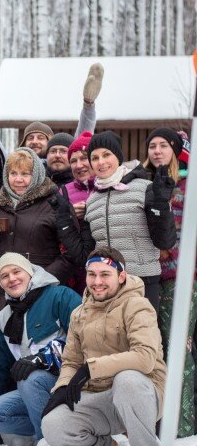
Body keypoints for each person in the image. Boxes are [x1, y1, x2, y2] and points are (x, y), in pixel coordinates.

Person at [41, 248, 167, 446]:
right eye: (92, 274)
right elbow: (71, 362)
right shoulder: (79, 314)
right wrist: (61, 387)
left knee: (127, 380)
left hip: (142, 393)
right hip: (101, 397)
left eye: (105, 274)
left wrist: (91, 368)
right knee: (52, 424)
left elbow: (145, 357)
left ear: (121, 276)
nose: (97, 281)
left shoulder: (137, 305)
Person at [56, 131, 176, 312]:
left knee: (141, 339)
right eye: (95, 157)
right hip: (106, 287)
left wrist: (160, 205)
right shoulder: (93, 201)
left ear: (118, 157)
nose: (101, 162)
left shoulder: (144, 189)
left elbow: (164, 241)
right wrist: (65, 219)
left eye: (106, 155)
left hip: (142, 283)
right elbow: (84, 254)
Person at [0, 147, 73, 344]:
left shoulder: (54, 204)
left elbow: (71, 254)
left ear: (36, 175)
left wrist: (41, 279)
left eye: (25, 174)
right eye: (13, 173)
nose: (18, 180)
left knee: (27, 356)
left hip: (35, 295)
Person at [0, 253, 81, 440]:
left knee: (30, 378)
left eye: (16, 271)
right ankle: (59, 429)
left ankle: (49, 444)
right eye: (4, 276)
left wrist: (43, 359)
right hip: (34, 393)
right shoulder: (3, 319)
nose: (12, 278)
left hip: (70, 384)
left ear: (30, 272)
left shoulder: (60, 296)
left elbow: (85, 338)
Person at [144, 127, 196, 437]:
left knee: (180, 348)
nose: (157, 150)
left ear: (175, 150)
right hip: (150, 278)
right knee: (156, 350)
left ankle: (184, 427)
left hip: (182, 279)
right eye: (152, 145)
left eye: (164, 145)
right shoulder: (143, 184)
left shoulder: (189, 184)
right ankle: (158, 424)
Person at [0, 60, 102, 158]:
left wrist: (88, 104)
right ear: (23, 144)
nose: (35, 141)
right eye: (30, 138)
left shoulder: (62, 164)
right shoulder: (14, 165)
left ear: (51, 142)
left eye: (41, 138)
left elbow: (81, 140)